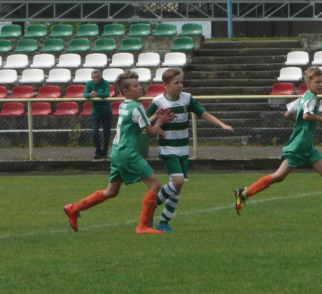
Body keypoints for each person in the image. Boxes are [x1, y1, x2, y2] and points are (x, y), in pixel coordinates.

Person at [234, 66, 322, 222]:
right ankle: (243, 193)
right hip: (300, 145)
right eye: (317, 82)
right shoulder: (310, 98)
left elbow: (288, 114)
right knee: (279, 176)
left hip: (307, 146)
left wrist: (299, 124)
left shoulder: (304, 97)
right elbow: (307, 115)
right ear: (308, 82)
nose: (321, 85)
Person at [63, 71, 174, 235]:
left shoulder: (124, 105)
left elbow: (137, 122)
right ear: (126, 91)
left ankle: (74, 209)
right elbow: (150, 132)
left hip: (116, 152)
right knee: (155, 185)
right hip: (127, 153)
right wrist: (160, 122)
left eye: (139, 84)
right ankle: (143, 226)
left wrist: (154, 119)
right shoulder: (136, 106)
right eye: (135, 86)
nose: (140, 87)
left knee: (111, 191)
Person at [144, 67, 233, 232]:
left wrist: (222, 124)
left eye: (181, 82)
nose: (179, 86)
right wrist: (157, 122)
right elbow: (144, 121)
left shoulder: (187, 99)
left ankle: (164, 223)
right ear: (166, 84)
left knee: (178, 188)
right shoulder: (158, 102)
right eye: (175, 83)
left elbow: (204, 113)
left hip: (183, 148)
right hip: (168, 148)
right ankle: (150, 208)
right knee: (177, 182)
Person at [84, 69, 112, 159]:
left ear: (101, 76)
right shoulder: (89, 83)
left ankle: (105, 151)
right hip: (95, 111)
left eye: (97, 77)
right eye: (94, 77)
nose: (96, 79)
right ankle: (98, 151)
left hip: (106, 111)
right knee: (95, 131)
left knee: (106, 132)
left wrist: (97, 94)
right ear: (91, 77)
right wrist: (90, 95)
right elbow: (85, 94)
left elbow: (107, 93)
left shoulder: (106, 83)